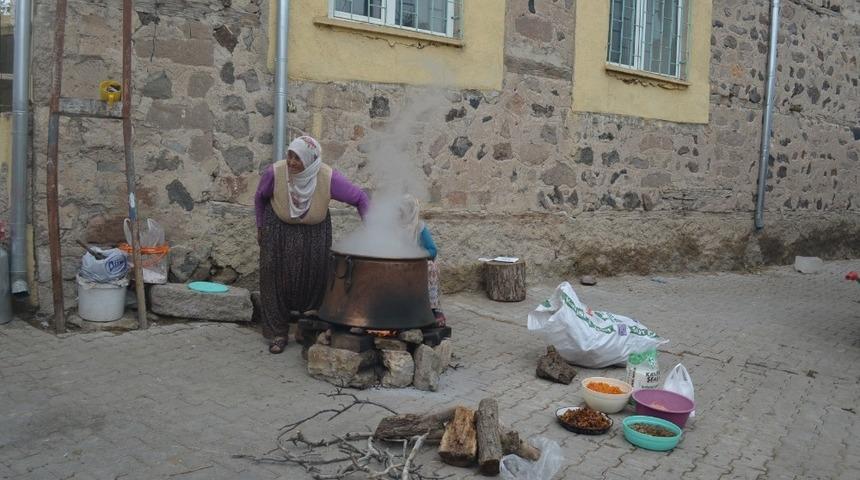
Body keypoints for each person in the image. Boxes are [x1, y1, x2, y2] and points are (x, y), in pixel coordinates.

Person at [255, 136, 369, 353]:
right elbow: (260, 198)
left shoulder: (328, 177)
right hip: (277, 228)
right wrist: (260, 227)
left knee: (315, 277)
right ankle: (277, 333)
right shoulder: (275, 173)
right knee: (274, 279)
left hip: (314, 233)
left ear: (311, 160)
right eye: (289, 155)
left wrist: (373, 231)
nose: (290, 162)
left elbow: (360, 198)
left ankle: (306, 330)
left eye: (297, 158)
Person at [399, 195, 446, 327]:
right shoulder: (395, 228)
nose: (401, 212)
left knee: (431, 267)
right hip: (400, 264)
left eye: (405, 209)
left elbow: (432, 250)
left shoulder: (419, 227)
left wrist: (417, 254)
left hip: (418, 264)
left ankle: (434, 310)